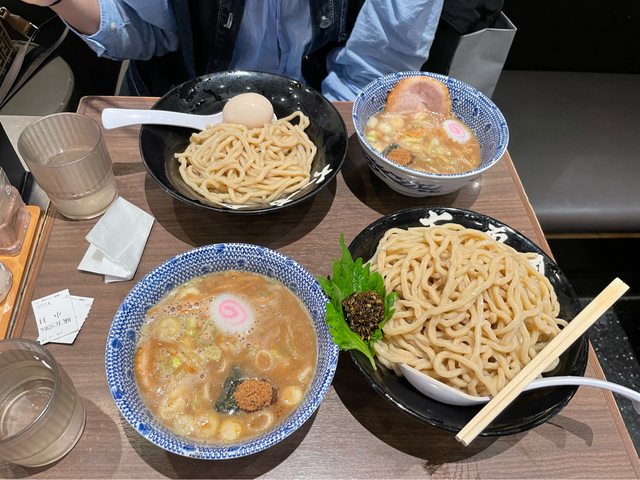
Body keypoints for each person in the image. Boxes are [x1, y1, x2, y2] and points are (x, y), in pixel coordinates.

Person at [21, 0, 443, 100]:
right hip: (182, 106)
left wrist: (319, 130)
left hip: (318, 106)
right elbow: (150, 32)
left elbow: (376, 65)